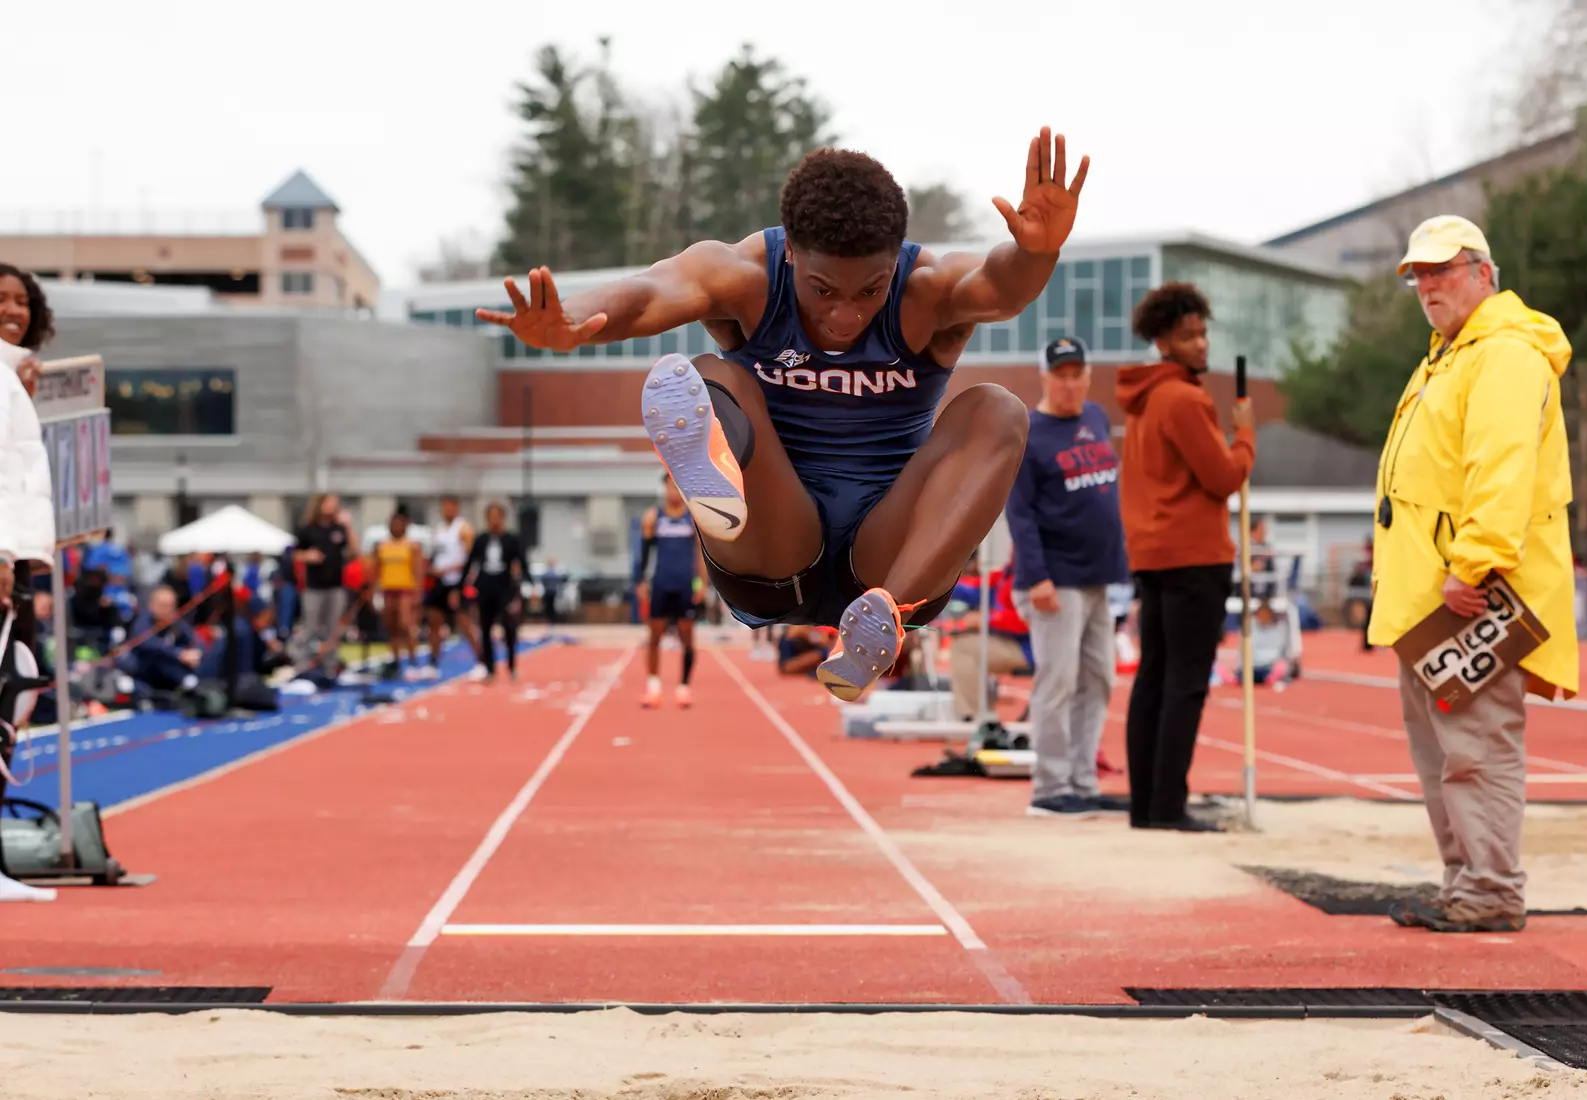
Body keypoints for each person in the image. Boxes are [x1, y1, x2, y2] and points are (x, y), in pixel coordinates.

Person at [479, 127, 1090, 703]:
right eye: (824, 290)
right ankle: (723, 500)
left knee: (998, 409)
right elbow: (650, 293)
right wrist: (573, 322)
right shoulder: (746, 276)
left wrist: (1036, 253)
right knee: (711, 376)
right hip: (777, 550)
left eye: (870, 290)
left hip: (888, 560)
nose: (846, 316)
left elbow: (999, 287)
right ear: (791, 252)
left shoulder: (926, 288)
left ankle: (880, 623)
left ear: (894, 263)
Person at [1371, 215, 1577, 935]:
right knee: (1443, 754)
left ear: (1484, 273)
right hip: (1431, 599)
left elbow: (1502, 469)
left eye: (1442, 270)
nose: (1428, 286)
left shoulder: (1504, 354)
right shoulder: (1451, 355)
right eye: (1419, 276)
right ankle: (1467, 882)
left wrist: (1474, 564)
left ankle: (1489, 888)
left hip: (1471, 594)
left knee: (1477, 748)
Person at [1116, 282, 1254, 833]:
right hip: (1194, 557)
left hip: (1153, 556)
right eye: (1188, 335)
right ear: (1163, 342)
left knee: (1154, 677)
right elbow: (1222, 477)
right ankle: (1169, 805)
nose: (1201, 344)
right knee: (1185, 682)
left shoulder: (1144, 401)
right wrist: (1245, 436)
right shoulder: (1184, 399)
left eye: (1202, 332)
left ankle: (1146, 806)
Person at [1005, 336, 1131, 816]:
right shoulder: (1029, 432)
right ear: (1045, 377)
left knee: (1098, 680)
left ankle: (1082, 781)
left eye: (1077, 374)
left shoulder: (1095, 418)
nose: (1069, 384)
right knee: (1057, 683)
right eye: (1060, 375)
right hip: (1054, 580)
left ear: (1088, 377)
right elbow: (1019, 512)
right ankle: (1050, 789)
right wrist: (1036, 576)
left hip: (1100, 576)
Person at [0, 263, 57, 903]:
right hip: (3, 557)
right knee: (6, 695)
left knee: (13, 696)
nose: (13, 310)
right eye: (0, 300)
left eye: (22, 301)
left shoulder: (13, 375)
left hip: (16, 559)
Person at [634, 474, 710, 708]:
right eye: (670, 488)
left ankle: (683, 687)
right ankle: (653, 687)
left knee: (687, 636)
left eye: (677, 488)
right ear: (664, 489)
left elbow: (701, 554)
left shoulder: (693, 518)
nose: (673, 493)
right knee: (654, 635)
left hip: (685, 584)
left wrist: (702, 584)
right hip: (661, 583)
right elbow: (644, 554)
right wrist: (641, 581)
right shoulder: (653, 517)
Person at [946, 554, 1032, 723]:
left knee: (964, 647)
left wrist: (985, 619)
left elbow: (1026, 621)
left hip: (1028, 648)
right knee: (964, 640)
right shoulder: (1007, 573)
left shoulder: (1030, 575)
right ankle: (983, 712)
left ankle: (975, 717)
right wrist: (940, 588)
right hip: (1010, 641)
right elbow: (973, 590)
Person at [294, 493, 357, 678]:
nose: (332, 506)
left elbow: (354, 552)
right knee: (309, 627)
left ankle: (330, 667)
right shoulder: (308, 530)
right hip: (314, 587)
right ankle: (302, 666)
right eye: (329, 502)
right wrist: (308, 556)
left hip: (335, 586)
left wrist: (348, 526)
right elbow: (294, 553)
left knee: (333, 629)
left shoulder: (339, 529)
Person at [464, 502, 527, 684]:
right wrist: (462, 585)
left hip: (505, 586)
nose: (494, 520)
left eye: (497, 516)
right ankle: (490, 667)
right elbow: (471, 563)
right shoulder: (481, 539)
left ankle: (511, 665)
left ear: (503, 518)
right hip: (485, 586)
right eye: (491, 516)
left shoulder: (512, 539)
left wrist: (528, 585)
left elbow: (522, 562)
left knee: (509, 625)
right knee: (485, 627)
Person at [424, 495, 482, 680]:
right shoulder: (439, 530)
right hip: (439, 582)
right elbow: (435, 556)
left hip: (456, 582)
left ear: (456, 508)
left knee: (463, 623)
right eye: (444, 507)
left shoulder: (463, 528)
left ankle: (482, 661)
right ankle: (433, 663)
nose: (447, 510)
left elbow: (470, 559)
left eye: (450, 507)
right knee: (434, 622)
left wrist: (455, 575)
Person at [369, 510, 424, 680]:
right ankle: (395, 661)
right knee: (391, 626)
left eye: (400, 524)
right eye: (393, 524)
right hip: (388, 590)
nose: (396, 527)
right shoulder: (382, 546)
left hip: (405, 589)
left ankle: (413, 660)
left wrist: (417, 593)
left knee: (406, 624)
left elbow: (418, 571)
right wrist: (373, 592)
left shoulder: (412, 546)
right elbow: (376, 570)